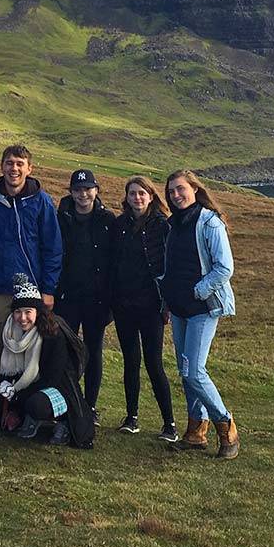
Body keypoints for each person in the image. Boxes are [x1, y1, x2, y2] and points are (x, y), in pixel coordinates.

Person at [0, 145, 62, 400]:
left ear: (29, 168)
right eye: (9, 163)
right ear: (1, 167)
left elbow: (52, 248)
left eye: (20, 163)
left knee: (28, 352)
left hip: (30, 291)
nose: (14, 168)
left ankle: (21, 407)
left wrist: (48, 289)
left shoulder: (42, 201)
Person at [161, 170, 239, 459]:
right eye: (171, 192)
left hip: (202, 308)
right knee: (185, 372)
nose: (176, 195)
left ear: (194, 189)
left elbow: (223, 268)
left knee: (194, 371)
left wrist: (198, 290)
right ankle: (196, 432)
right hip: (179, 309)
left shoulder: (209, 222)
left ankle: (226, 425)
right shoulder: (173, 224)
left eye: (180, 189)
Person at [0, 274, 94, 447]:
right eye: (18, 312)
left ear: (38, 312)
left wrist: (16, 395)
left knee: (36, 404)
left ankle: (61, 421)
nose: (22, 318)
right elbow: (8, 369)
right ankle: (22, 416)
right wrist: (2, 390)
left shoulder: (54, 334)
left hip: (56, 387)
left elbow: (52, 378)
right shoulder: (11, 330)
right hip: (23, 385)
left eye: (28, 312)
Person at [111, 175, 177, 440]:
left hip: (151, 305)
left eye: (142, 193)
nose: (137, 198)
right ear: (126, 198)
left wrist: (167, 303)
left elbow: (170, 265)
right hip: (124, 305)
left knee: (153, 363)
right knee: (130, 361)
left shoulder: (163, 225)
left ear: (151, 196)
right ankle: (132, 416)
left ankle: (169, 423)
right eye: (132, 194)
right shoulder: (119, 225)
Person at [54, 169, 114, 427]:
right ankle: (67, 402)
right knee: (66, 352)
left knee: (93, 351)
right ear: (71, 192)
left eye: (88, 189)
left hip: (97, 299)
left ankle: (90, 406)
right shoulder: (61, 217)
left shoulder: (107, 219)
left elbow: (114, 261)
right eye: (78, 189)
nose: (83, 194)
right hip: (67, 297)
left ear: (96, 190)